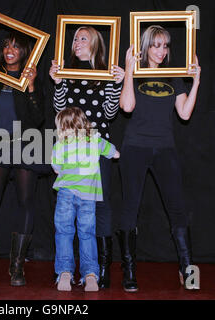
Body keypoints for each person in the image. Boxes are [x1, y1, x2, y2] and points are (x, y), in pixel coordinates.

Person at [118, 25, 201, 292]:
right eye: (155, 45)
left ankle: (187, 270)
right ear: (145, 47)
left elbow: (185, 114)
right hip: (135, 147)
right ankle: (129, 271)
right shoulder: (137, 72)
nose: (161, 51)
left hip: (165, 148)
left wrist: (196, 81)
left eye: (165, 45)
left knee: (177, 207)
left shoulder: (173, 76)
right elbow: (127, 107)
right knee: (130, 208)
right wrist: (130, 70)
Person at [49, 26, 124, 288]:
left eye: (83, 38)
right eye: (74, 38)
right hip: (70, 151)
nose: (77, 42)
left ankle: (99, 269)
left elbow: (110, 113)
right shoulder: (67, 72)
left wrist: (116, 84)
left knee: (99, 207)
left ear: (95, 43)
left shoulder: (105, 73)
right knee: (67, 213)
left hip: (96, 147)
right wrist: (58, 83)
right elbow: (59, 109)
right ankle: (66, 269)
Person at [0, 30, 45, 296]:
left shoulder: (30, 77)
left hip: (27, 144)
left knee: (26, 202)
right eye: (6, 45)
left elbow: (38, 118)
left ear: (25, 51)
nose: (9, 50)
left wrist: (33, 87)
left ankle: (17, 268)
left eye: (15, 46)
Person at [51, 107, 120, 291]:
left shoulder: (60, 145)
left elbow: (56, 168)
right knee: (87, 234)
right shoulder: (95, 139)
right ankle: (90, 275)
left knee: (64, 232)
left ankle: (64, 272)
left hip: (66, 193)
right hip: (88, 196)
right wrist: (112, 153)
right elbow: (114, 153)